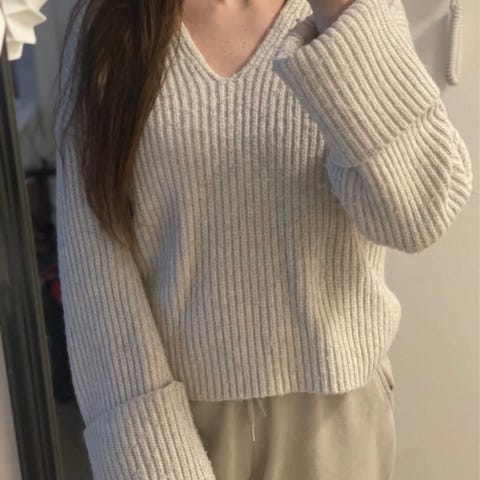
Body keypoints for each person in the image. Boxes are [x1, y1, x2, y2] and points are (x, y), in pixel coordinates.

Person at [54, 0, 473, 478]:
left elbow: (419, 216)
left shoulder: (352, 11)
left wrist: (343, 17)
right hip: (176, 423)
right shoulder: (112, 22)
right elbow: (96, 272)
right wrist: (151, 457)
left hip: (338, 421)